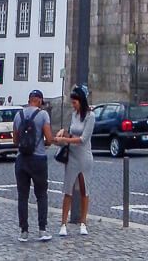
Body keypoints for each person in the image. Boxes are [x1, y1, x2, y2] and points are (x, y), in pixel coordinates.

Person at [13, 88, 54, 242]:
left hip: (21, 159)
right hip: (38, 159)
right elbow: (49, 139)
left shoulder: (19, 115)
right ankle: (42, 230)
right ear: (39, 101)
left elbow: (15, 140)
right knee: (41, 195)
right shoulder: (43, 115)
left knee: (22, 196)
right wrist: (41, 143)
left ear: (29, 99)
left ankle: (24, 231)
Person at [55, 85, 94, 237]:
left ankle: (83, 222)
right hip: (72, 156)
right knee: (68, 190)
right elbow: (72, 132)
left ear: (81, 101)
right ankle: (63, 223)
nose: (73, 105)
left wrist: (64, 139)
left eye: (75, 102)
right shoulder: (74, 114)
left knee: (84, 190)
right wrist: (64, 132)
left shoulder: (90, 116)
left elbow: (83, 139)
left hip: (84, 156)